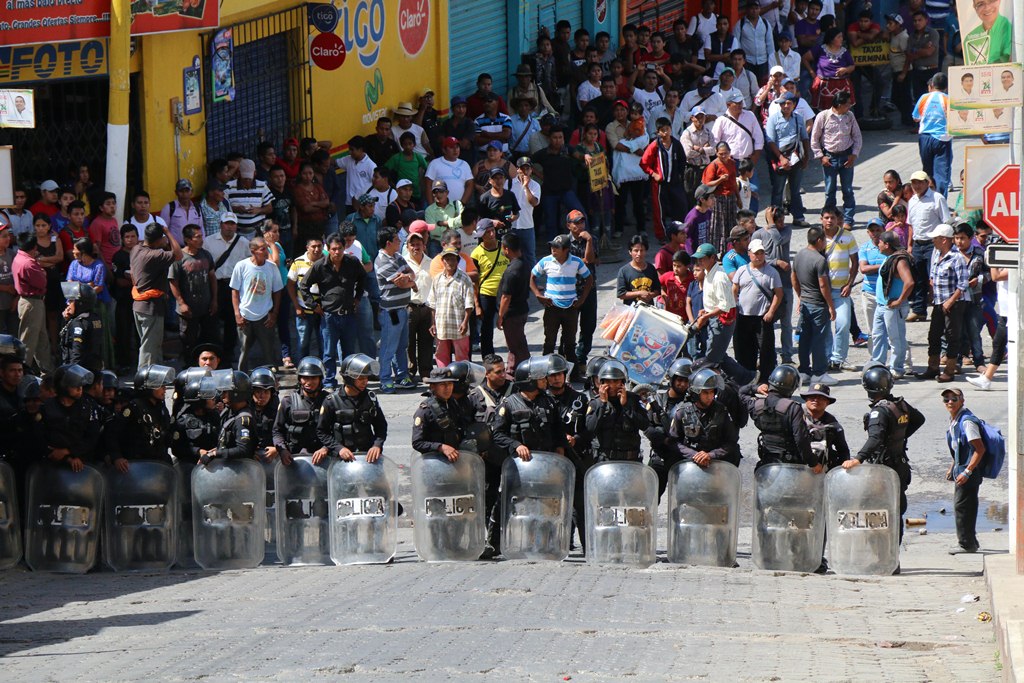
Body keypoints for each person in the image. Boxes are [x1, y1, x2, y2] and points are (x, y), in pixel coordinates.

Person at [843, 365, 925, 549]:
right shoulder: (900, 404)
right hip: (900, 465)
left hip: (882, 469)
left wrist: (858, 459)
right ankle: (893, 555)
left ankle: (880, 553)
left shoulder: (878, 412)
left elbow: (875, 438)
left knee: (876, 510)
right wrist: (897, 437)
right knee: (896, 511)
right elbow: (919, 419)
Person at [298, 234, 364, 388]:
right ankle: (329, 381)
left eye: (340, 248)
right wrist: (314, 306)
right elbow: (303, 285)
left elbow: (363, 278)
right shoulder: (320, 265)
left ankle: (349, 381)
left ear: (344, 248)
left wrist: (358, 298)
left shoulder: (352, 262)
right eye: (333, 249)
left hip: (348, 315)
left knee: (349, 352)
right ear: (328, 249)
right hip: (329, 317)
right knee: (329, 352)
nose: (337, 252)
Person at [530, 234, 593, 368]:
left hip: (570, 307)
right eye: (552, 246)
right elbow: (532, 277)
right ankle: (546, 371)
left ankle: (572, 373)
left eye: (557, 247)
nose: (553, 249)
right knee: (549, 342)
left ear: (566, 250)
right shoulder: (546, 261)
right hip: (552, 307)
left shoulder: (576, 262)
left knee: (570, 343)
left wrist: (582, 299)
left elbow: (589, 279)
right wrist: (537, 294)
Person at [740, 364, 818, 469]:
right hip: (790, 465)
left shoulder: (757, 405)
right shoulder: (793, 408)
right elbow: (800, 439)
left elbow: (741, 392)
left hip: (766, 462)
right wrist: (813, 462)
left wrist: (756, 388)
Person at [918, 224, 969, 383]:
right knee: (934, 335)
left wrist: (950, 301)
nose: (933, 241)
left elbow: (963, 284)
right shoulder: (937, 255)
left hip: (953, 303)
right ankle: (932, 367)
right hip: (939, 302)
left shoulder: (957, 257)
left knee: (952, 336)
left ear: (944, 240)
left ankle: (949, 370)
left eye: (936, 238)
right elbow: (933, 277)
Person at [316, 354, 387, 464]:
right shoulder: (331, 401)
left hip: (367, 457)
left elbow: (381, 426)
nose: (365, 382)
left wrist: (377, 445)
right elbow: (322, 432)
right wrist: (339, 448)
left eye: (366, 378)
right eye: (361, 379)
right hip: (341, 460)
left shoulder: (370, 398)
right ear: (349, 379)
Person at [131, 223, 183, 367]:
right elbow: (178, 254)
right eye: (163, 238)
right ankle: (144, 381)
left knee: (153, 345)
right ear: (159, 239)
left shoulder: (136, 249)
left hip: (140, 305)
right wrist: (168, 232)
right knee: (149, 348)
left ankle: (156, 378)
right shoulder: (155, 255)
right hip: (150, 307)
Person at [105, 365, 176, 469]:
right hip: (137, 464)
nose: (165, 389)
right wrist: (117, 457)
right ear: (148, 388)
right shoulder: (134, 408)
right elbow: (112, 434)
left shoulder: (161, 408)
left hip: (159, 463)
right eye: (160, 386)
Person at [942, 387, 986, 554]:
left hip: (969, 471)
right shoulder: (955, 419)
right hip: (962, 469)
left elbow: (979, 449)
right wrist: (953, 466)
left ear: (962, 400)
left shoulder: (967, 422)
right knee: (967, 505)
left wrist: (967, 472)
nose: (950, 402)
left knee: (962, 506)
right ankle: (971, 541)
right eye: (946, 399)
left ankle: (966, 544)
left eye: (954, 398)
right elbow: (959, 447)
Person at [374, 227, 418, 393]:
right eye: (397, 240)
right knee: (388, 346)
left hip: (404, 308)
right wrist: (409, 281)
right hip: (391, 311)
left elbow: (411, 274)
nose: (400, 242)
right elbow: (400, 283)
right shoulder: (381, 261)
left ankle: (401, 376)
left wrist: (408, 279)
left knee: (402, 345)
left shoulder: (398, 257)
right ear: (388, 243)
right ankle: (385, 379)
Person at [230, 236, 283, 371]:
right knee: (243, 351)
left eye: (267, 248)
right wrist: (237, 314)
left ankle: (272, 381)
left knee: (269, 351)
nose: (267, 252)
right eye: (263, 249)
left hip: (265, 315)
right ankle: (241, 379)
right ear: (253, 251)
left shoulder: (271, 267)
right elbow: (235, 291)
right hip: (245, 315)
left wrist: (274, 314)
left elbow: (277, 291)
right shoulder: (241, 266)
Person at [733, 239, 783, 384]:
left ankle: (765, 380)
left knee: (766, 350)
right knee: (745, 349)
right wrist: (735, 304)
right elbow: (735, 288)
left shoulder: (771, 272)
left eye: (761, 253)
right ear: (749, 254)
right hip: (743, 317)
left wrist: (771, 312)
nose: (759, 256)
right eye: (756, 253)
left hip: (762, 317)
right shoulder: (742, 270)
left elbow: (778, 294)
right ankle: (747, 378)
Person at [793, 227, 837, 385]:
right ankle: (819, 373)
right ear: (819, 240)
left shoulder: (799, 255)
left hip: (806, 302)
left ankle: (804, 370)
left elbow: (794, 278)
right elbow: (823, 285)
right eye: (824, 240)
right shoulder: (820, 260)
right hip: (818, 305)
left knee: (804, 338)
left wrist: (800, 295)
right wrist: (831, 306)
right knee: (819, 339)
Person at [581, 359, 649, 462]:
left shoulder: (633, 400)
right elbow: (590, 428)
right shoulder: (596, 403)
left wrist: (626, 406)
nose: (612, 385)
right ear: (602, 383)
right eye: (608, 381)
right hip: (605, 460)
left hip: (630, 460)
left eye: (616, 381)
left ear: (622, 383)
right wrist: (603, 404)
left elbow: (644, 425)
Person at [810, 91, 861, 228]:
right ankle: (830, 219)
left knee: (848, 189)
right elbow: (814, 138)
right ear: (839, 105)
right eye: (847, 104)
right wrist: (821, 156)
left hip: (846, 157)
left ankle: (848, 219)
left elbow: (857, 137)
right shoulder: (823, 116)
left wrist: (854, 155)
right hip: (830, 158)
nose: (849, 106)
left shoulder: (850, 116)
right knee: (830, 190)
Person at [820, 207, 858, 373]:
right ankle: (827, 358)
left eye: (832, 218)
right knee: (825, 327)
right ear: (821, 219)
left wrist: (849, 284)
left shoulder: (848, 236)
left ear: (838, 219)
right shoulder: (817, 238)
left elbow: (855, 263)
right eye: (826, 217)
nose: (829, 221)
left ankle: (839, 358)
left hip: (841, 290)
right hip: (822, 291)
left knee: (843, 324)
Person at [272, 357, 329, 467]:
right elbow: (277, 431)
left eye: (313, 378)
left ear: (320, 379)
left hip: (323, 458)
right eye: (305, 378)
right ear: (299, 379)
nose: (309, 382)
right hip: (295, 457)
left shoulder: (329, 401)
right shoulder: (288, 401)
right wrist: (282, 450)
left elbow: (335, 432)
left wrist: (325, 448)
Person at [764, 92, 810, 226]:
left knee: (795, 190)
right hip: (779, 159)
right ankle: (776, 219)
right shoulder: (773, 119)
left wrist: (806, 156)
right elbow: (770, 141)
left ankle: (798, 217)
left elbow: (804, 138)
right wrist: (781, 158)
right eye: (783, 103)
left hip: (796, 159)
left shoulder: (798, 119)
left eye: (788, 103)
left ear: (794, 104)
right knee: (778, 191)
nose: (785, 106)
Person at [640, 117, 687, 243]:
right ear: (658, 132)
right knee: (659, 210)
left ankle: (679, 233)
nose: (665, 133)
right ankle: (661, 236)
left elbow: (682, 161)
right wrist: (653, 174)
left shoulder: (676, 144)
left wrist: (680, 176)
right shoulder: (654, 146)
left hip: (675, 182)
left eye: (667, 129)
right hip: (659, 184)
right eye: (662, 130)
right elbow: (644, 163)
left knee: (679, 207)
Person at [428, 245, 475, 366]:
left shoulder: (464, 279)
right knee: (441, 355)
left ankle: (461, 381)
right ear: (443, 261)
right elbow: (432, 303)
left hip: (459, 324)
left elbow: (469, 303)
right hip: (441, 324)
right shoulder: (437, 279)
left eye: (453, 259)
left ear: (457, 261)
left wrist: (465, 322)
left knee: (462, 355)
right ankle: (444, 380)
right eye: (447, 259)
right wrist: (433, 323)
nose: (450, 262)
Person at [691, 243, 736, 364]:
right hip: (713, 317)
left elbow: (724, 306)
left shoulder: (719, 277)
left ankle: (745, 378)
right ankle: (745, 378)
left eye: (702, 258)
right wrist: (705, 310)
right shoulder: (708, 273)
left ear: (712, 258)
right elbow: (713, 300)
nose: (699, 261)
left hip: (722, 320)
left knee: (712, 357)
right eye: (698, 259)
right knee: (718, 355)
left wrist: (706, 316)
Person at [470, 219, 509, 360]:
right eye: (485, 233)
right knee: (487, 329)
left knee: (510, 325)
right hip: (486, 294)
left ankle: (513, 359)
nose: (490, 235)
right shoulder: (476, 254)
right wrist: (477, 305)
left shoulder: (505, 247)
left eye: (491, 231)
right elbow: (475, 282)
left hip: (505, 294)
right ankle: (488, 359)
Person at [953, 222, 987, 374]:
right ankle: (957, 361)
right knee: (957, 332)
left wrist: (978, 280)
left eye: (963, 238)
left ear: (970, 238)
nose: (959, 242)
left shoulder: (979, 253)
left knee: (974, 330)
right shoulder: (952, 254)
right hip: (957, 299)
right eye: (957, 238)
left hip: (974, 298)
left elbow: (990, 274)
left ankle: (979, 362)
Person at [913, 73, 953, 197]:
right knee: (941, 174)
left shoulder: (924, 98)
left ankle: (926, 199)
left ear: (932, 85)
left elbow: (916, 118)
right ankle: (940, 202)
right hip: (942, 139)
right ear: (946, 87)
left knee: (927, 172)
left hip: (925, 138)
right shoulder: (948, 99)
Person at [497, 233, 530, 370]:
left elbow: (506, 297)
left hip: (512, 314)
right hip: (522, 310)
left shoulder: (512, 270)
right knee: (515, 345)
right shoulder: (524, 263)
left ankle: (524, 371)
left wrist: (500, 316)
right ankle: (513, 370)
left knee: (517, 345)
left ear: (506, 249)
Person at [804, 27, 856, 111]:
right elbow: (805, 58)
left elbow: (852, 66)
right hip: (824, 87)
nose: (841, 39)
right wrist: (812, 73)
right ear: (831, 39)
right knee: (824, 113)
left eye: (842, 37)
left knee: (844, 110)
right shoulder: (820, 49)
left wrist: (845, 70)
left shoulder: (844, 52)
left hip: (842, 86)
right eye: (839, 37)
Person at [801, 382, 849, 472]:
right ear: (806, 400)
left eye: (820, 398)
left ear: (827, 402)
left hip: (823, 471)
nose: (815, 400)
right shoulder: (797, 418)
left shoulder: (833, 424)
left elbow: (843, 450)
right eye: (812, 397)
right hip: (798, 469)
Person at [903, 11, 940, 106]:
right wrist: (923, 49)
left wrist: (916, 51)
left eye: (920, 20)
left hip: (931, 70)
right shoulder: (911, 36)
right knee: (919, 100)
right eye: (915, 21)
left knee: (933, 100)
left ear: (926, 21)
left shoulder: (933, 33)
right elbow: (909, 55)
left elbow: (929, 52)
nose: (917, 23)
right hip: (917, 72)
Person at [616, 235, 660, 304]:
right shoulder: (624, 271)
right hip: (631, 311)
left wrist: (649, 295)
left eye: (642, 250)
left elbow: (657, 290)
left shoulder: (651, 268)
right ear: (630, 252)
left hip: (649, 310)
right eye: (636, 251)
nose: (639, 254)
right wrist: (639, 293)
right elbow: (621, 294)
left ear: (646, 251)